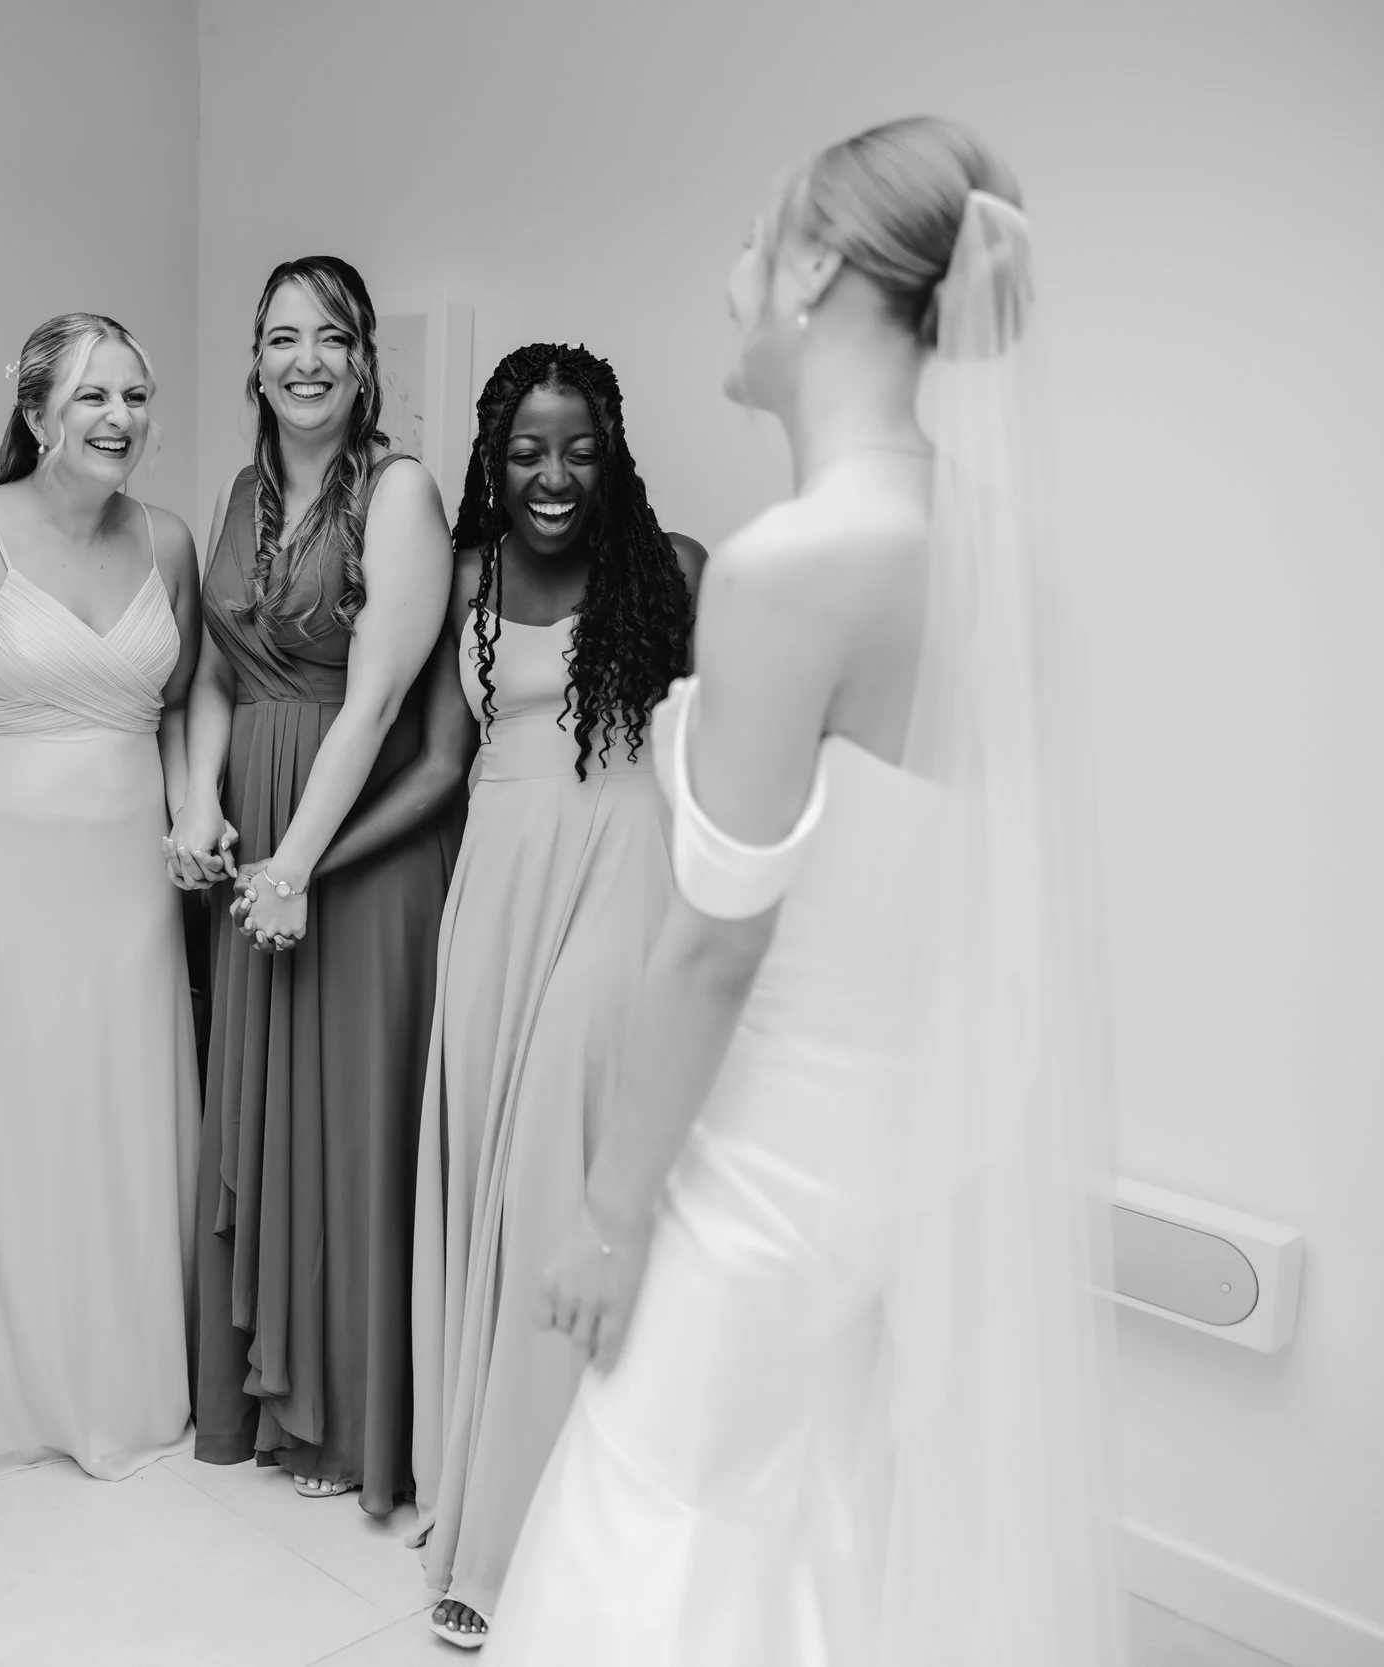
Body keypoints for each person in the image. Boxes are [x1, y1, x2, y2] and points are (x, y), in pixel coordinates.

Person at [491, 118, 1125, 1666]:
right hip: (903, 1158)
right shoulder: (990, 544)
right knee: (812, 1547)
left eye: (753, 242)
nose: (730, 283)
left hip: (761, 1178)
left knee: (655, 1541)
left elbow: (716, 944)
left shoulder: (796, 563)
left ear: (822, 266)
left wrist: (608, 1213)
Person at [371, 343, 704, 1648]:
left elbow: (732, 755)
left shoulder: (675, 570)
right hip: (494, 897)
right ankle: (479, 1480)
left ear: (611, 446)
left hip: (625, 885)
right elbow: (446, 760)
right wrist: (315, 858)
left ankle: (519, 1544)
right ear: (490, 460)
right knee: (487, 1193)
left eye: (576, 445)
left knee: (552, 1189)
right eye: (524, 448)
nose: (552, 473)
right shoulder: (472, 577)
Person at [0, 313, 202, 1482]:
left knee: (115, 1107)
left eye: (134, 396)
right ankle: (2, 1384)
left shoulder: (166, 540)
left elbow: (181, 703)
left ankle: (118, 1374)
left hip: (125, 874)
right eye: (92, 398)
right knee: (5, 1113)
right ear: (36, 415)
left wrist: (193, 804)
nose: (119, 420)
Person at [168, 255, 457, 1511]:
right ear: (253, 358)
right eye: (280, 337)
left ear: (365, 356)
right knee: (265, 1109)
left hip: (349, 845)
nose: (304, 359)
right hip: (257, 845)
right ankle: (272, 1391)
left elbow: (383, 688)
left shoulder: (398, 490)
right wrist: (199, 806)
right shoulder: (238, 492)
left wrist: (295, 861)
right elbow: (221, 674)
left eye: (329, 336)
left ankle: (351, 1413)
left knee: (348, 1115)